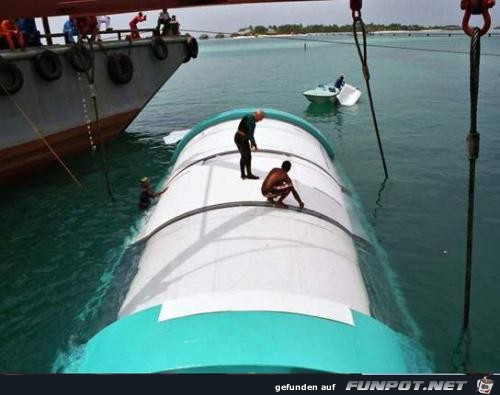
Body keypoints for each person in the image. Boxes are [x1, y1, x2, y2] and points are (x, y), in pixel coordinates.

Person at [234, 109, 265, 180]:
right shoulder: (252, 122)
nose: (260, 120)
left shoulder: (248, 116)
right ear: (257, 115)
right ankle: (249, 174)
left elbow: (247, 132)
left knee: (243, 156)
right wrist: (254, 144)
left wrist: (251, 142)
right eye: (260, 118)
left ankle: (243, 174)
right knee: (248, 157)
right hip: (242, 140)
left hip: (238, 137)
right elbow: (251, 135)